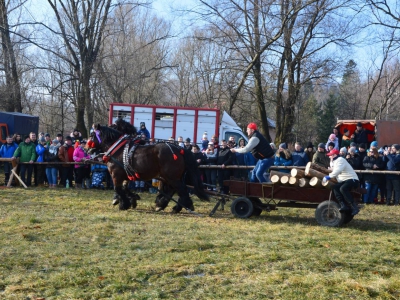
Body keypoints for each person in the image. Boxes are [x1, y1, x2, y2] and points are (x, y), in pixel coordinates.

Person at [324, 149, 360, 215]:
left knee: (343, 188)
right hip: (344, 180)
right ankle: (343, 205)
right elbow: (334, 169)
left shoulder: (340, 160)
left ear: (335, 155)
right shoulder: (335, 161)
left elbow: (337, 170)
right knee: (335, 187)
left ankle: (354, 207)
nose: (329, 157)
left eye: (330, 155)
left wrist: (328, 177)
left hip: (352, 179)